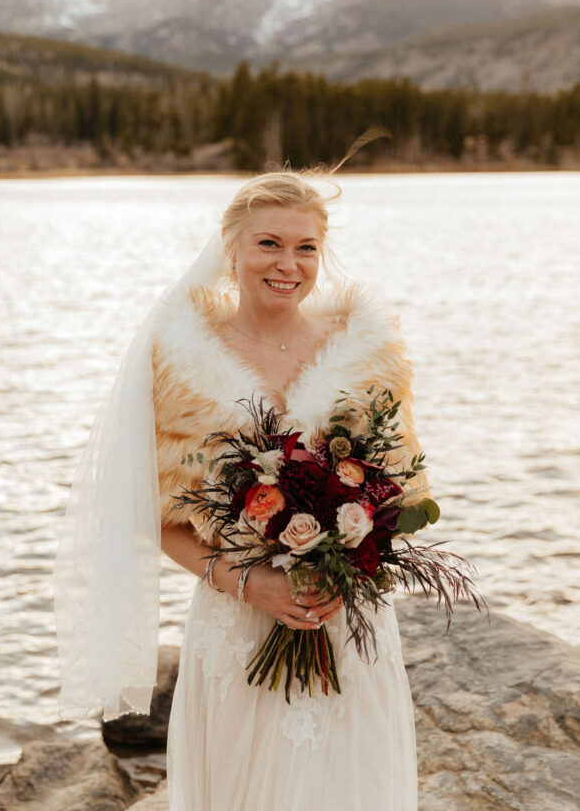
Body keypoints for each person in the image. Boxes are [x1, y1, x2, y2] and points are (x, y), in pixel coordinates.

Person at [53, 168, 432, 811]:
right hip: (237, 624)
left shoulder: (367, 354)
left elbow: (406, 498)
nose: (288, 264)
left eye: (306, 247)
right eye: (268, 244)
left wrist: (348, 564)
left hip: (346, 619)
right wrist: (248, 583)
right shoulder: (180, 363)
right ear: (229, 247)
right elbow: (160, 519)